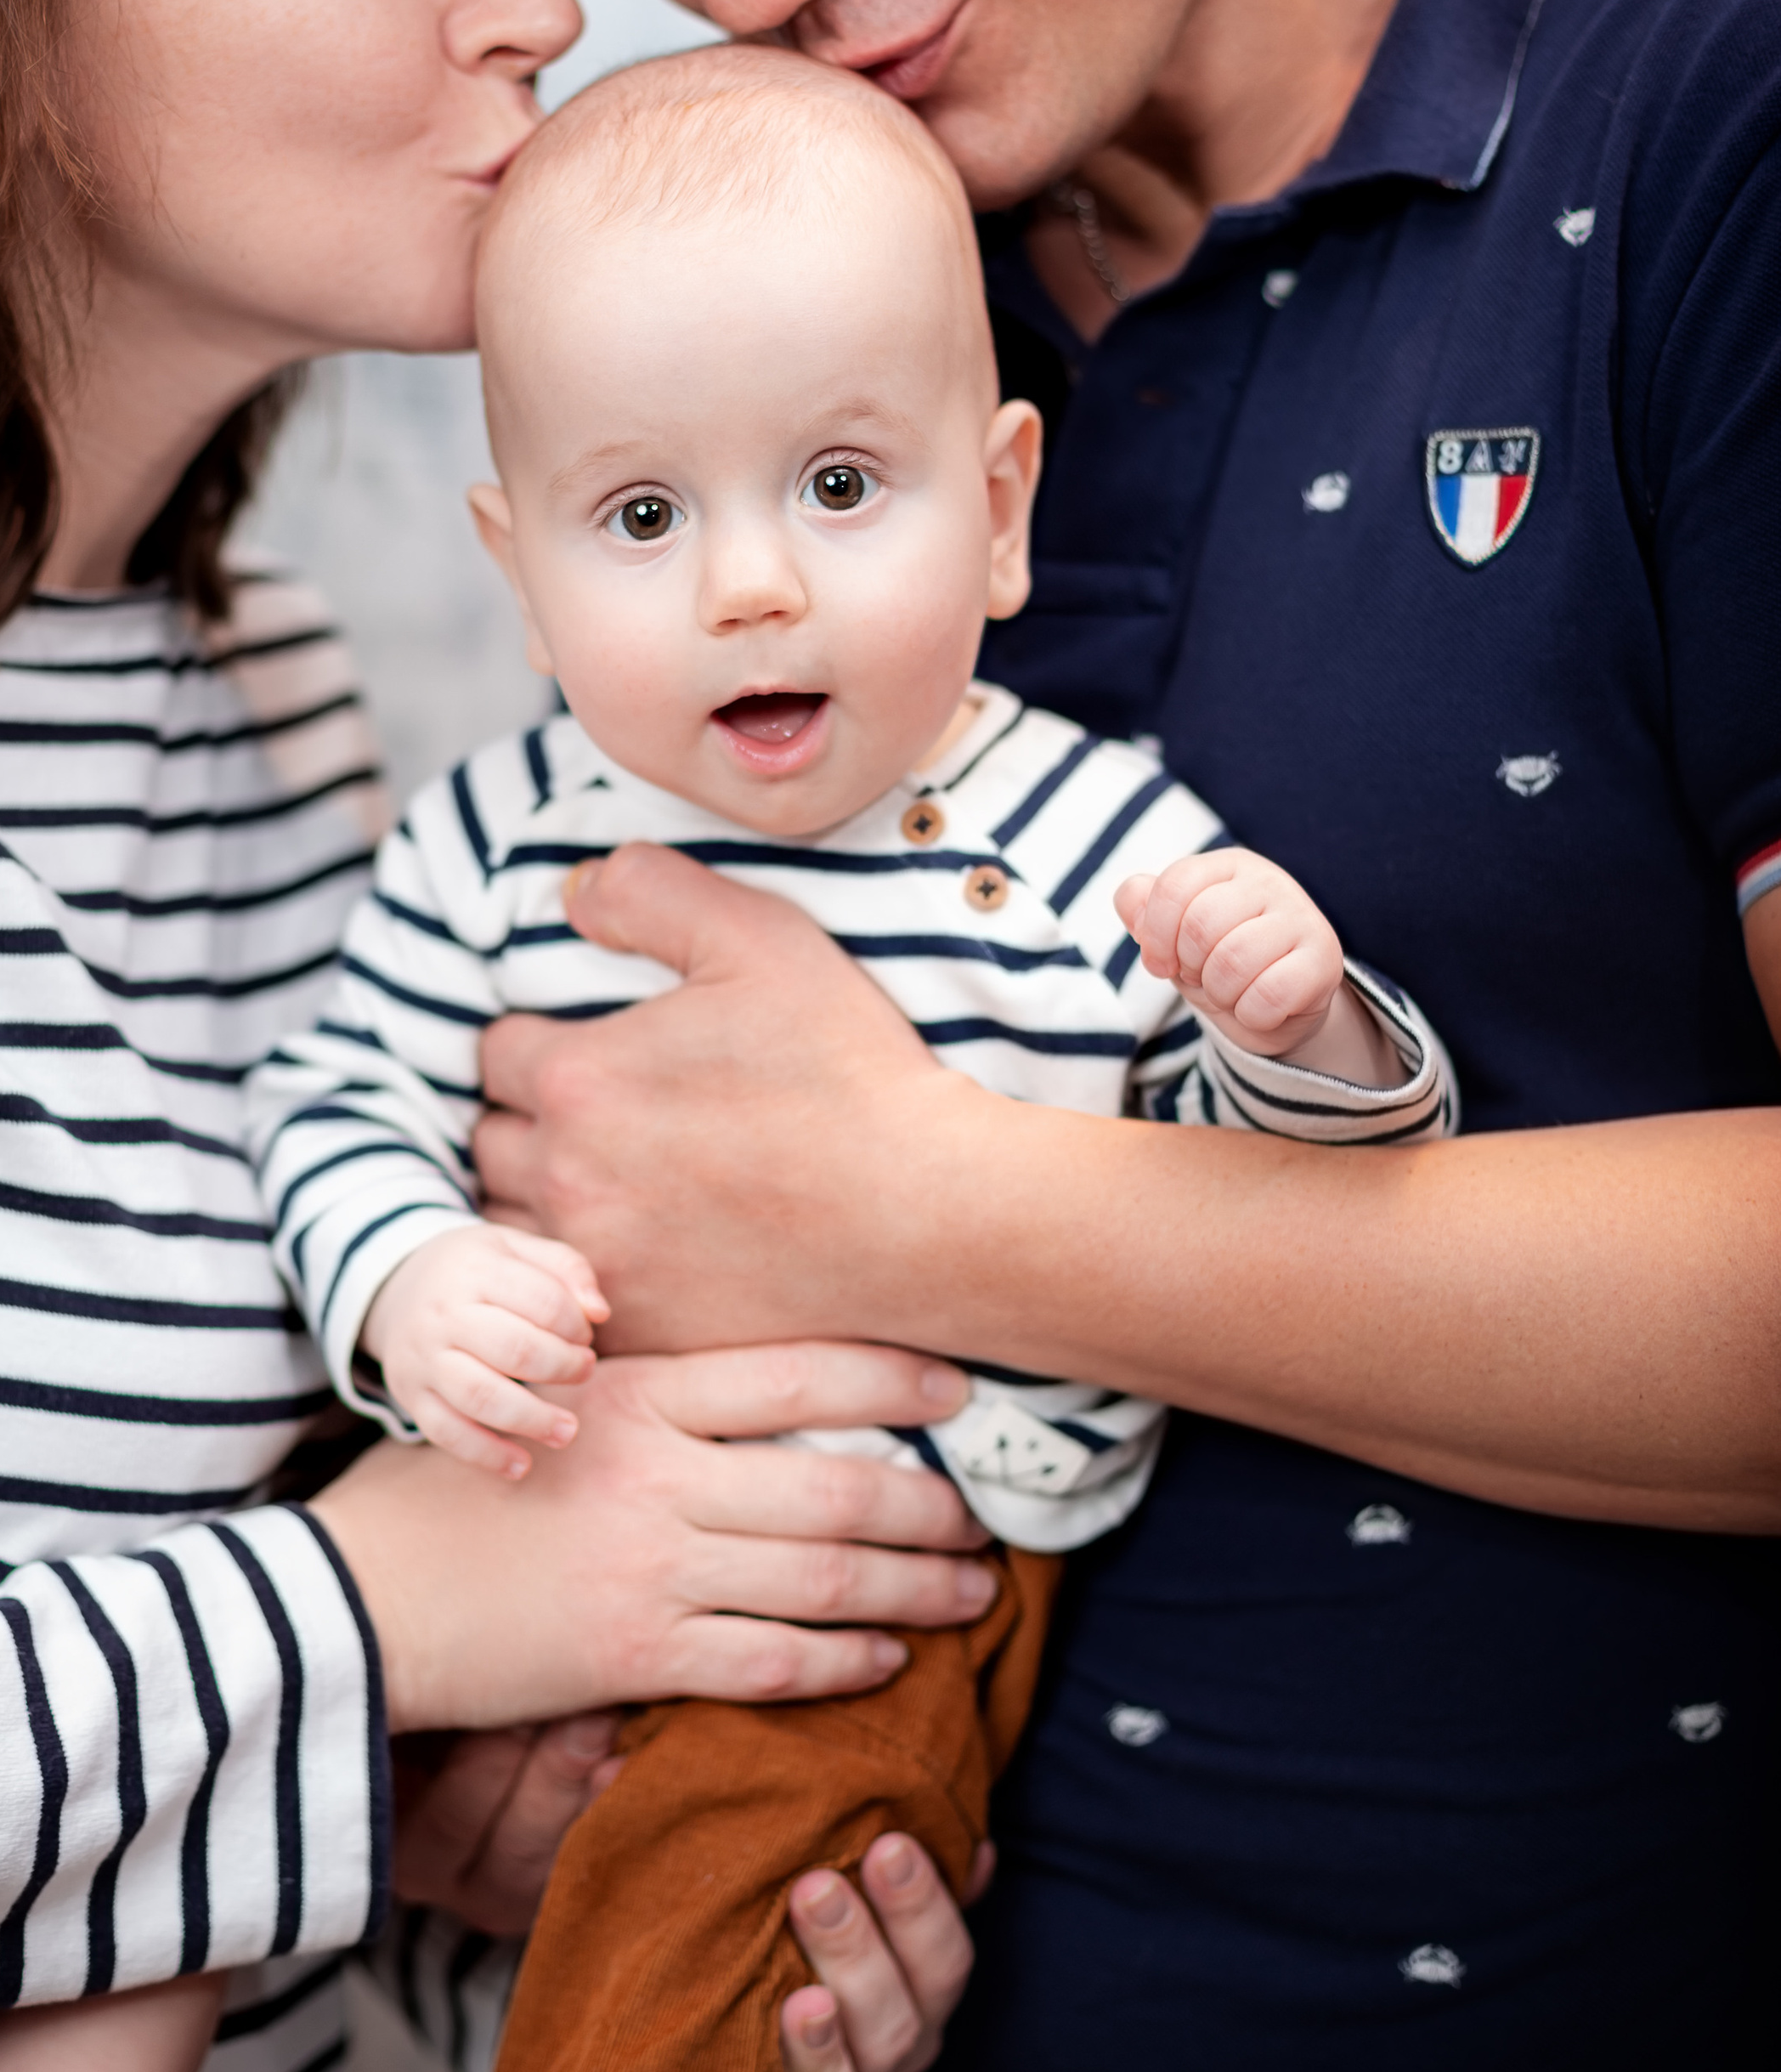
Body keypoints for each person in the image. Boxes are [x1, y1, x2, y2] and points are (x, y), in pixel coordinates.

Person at [464, 0, 1781, 2063]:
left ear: (997, 499)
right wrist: (488, 1731)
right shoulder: (790, 271)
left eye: (843, 487)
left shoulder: (1705, 127)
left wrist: (919, 1211)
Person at [0, 3, 1001, 2066]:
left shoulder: (270, 692)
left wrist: (547, 1886)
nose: (542, 17)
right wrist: (382, 1614)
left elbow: (183, 1801)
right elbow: (330, 1623)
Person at [246, 45, 1457, 2072]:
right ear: (520, 576)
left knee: (715, 1937)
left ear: (996, 512)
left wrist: (1296, 1023)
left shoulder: (1099, 843)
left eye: (836, 486)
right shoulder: (494, 839)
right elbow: (332, 1100)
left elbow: (1288, 1197)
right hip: (513, 1542)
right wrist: (407, 1275)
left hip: (859, 1580)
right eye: (642, 513)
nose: (751, 586)